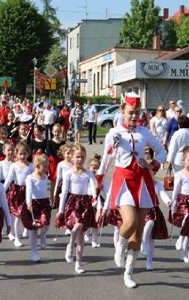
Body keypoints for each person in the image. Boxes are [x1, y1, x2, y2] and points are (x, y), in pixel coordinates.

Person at [97, 93, 166, 289]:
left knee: (139, 231)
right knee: (130, 222)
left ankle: (129, 272)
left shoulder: (144, 132)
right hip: (124, 180)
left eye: (136, 113)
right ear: (122, 111)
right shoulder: (114, 133)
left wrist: (153, 163)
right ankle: (120, 245)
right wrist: (99, 180)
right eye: (130, 113)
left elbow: (162, 151)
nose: (134, 117)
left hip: (142, 180)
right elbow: (106, 159)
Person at [55, 143, 98, 274]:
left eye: (82, 157)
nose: (80, 159)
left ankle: (78, 263)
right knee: (78, 225)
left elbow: (92, 187)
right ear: (72, 158)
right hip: (72, 203)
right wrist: (60, 211)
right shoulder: (68, 173)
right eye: (78, 157)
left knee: (81, 236)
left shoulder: (88, 173)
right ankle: (70, 245)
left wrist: (94, 196)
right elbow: (64, 192)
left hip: (85, 204)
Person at [25, 153, 52, 261]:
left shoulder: (45, 177)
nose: (47, 169)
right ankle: (34, 253)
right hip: (33, 203)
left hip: (44, 203)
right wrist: (28, 202)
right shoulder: (30, 178)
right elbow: (29, 190)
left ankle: (43, 236)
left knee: (46, 223)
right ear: (37, 166)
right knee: (33, 230)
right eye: (44, 166)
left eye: (47, 166)